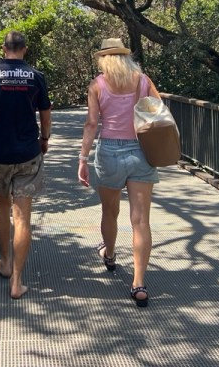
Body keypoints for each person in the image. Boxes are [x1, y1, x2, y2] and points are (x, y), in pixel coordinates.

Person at [77, 37, 161, 308]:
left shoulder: (97, 84)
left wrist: (82, 159)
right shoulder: (143, 80)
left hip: (109, 152)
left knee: (109, 212)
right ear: (126, 57)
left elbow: (92, 124)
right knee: (140, 221)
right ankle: (138, 283)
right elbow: (159, 112)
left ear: (104, 59)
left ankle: (110, 255)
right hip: (140, 151)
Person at [0, 30, 52, 299]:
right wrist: (44, 138)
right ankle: (17, 283)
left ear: (4, 48)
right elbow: (45, 113)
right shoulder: (36, 76)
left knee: (2, 206)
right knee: (22, 217)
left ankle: (4, 263)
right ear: (24, 49)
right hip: (28, 152)